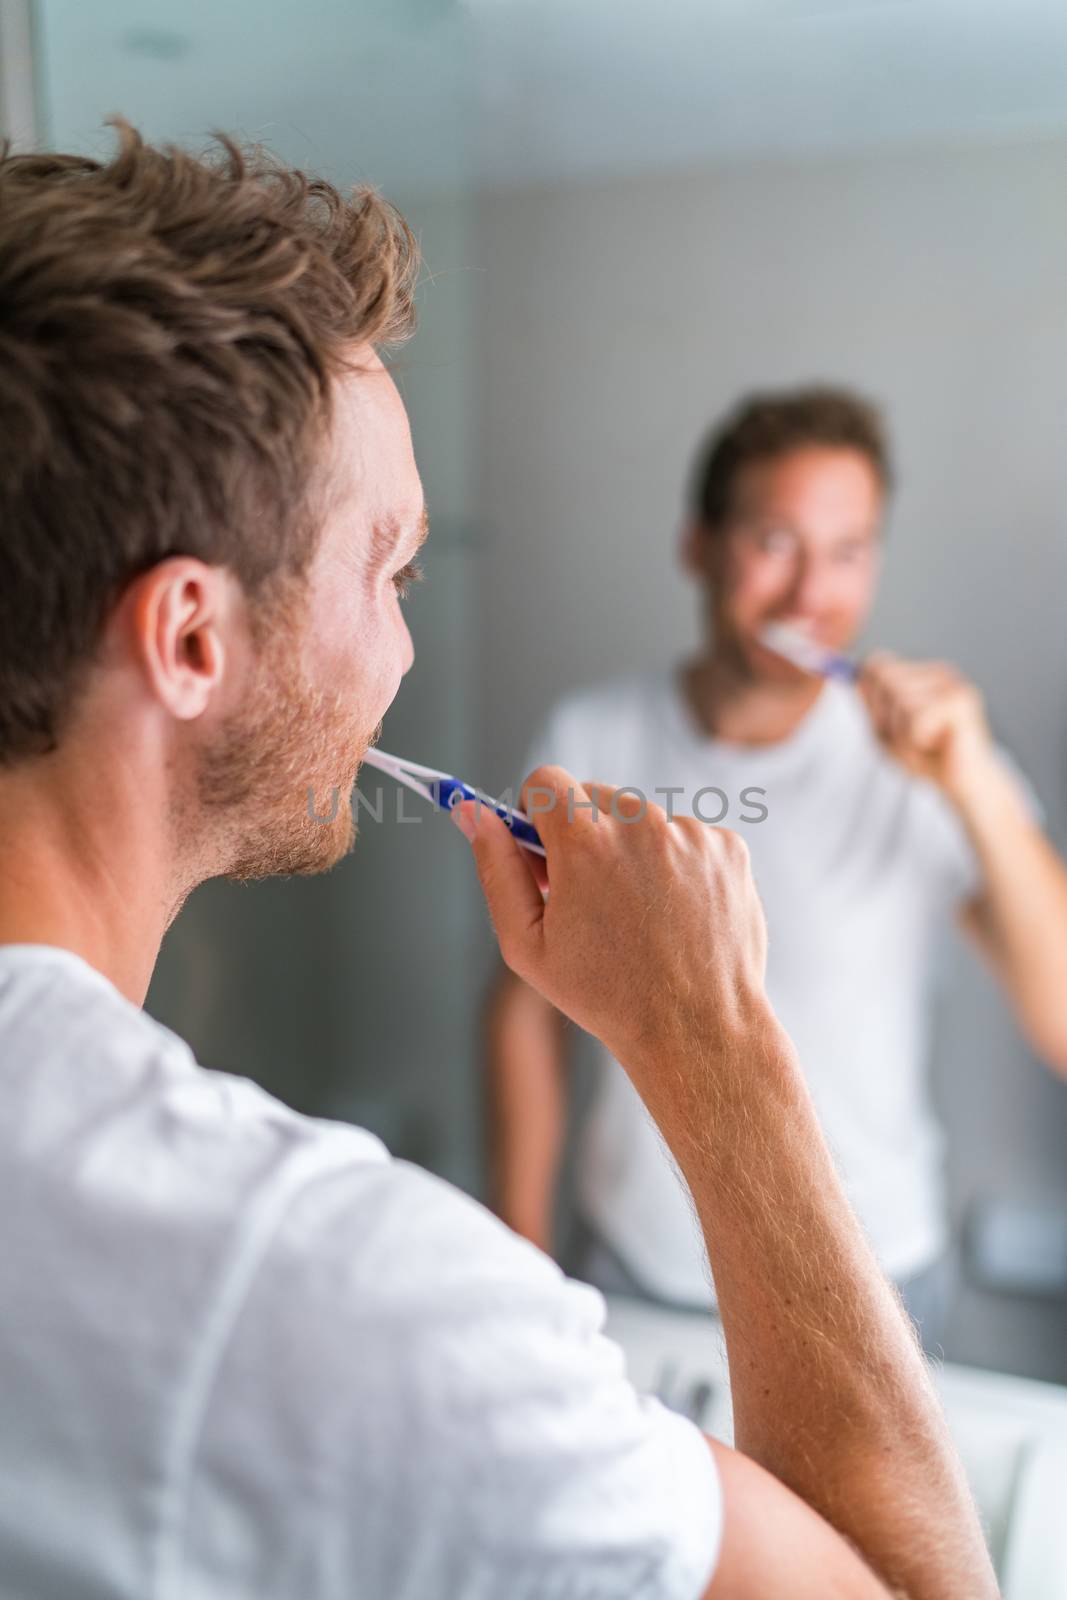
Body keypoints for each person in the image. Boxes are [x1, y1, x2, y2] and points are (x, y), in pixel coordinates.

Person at [0, 122, 996, 1600]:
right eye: (388, 571)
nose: (403, 649)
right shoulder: (329, 1289)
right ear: (193, 637)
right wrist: (707, 1034)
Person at [487, 388, 1067, 1351]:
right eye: (775, 542)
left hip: (873, 1286)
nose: (812, 596)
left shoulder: (933, 766)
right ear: (698, 547)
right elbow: (524, 1009)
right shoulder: (589, 740)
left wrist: (969, 780)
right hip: (637, 1266)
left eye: (848, 552)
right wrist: (519, 1255)